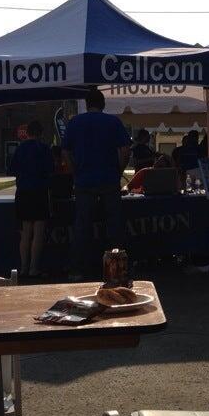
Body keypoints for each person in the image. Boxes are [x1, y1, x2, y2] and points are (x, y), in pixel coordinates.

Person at [61, 88, 131, 280]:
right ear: (103, 104)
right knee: (114, 226)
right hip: (109, 180)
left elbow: (65, 151)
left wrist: (75, 171)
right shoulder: (113, 122)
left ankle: (77, 269)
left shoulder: (75, 123)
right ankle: (118, 269)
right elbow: (125, 150)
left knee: (82, 226)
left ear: (86, 104)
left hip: (84, 181)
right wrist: (118, 171)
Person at [9, 119, 53, 278]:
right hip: (39, 192)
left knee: (25, 232)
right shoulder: (44, 149)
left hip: (23, 192)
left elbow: (12, 170)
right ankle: (34, 268)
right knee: (38, 231)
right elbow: (50, 170)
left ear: (27, 133)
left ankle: (23, 267)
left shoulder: (19, 149)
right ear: (40, 133)